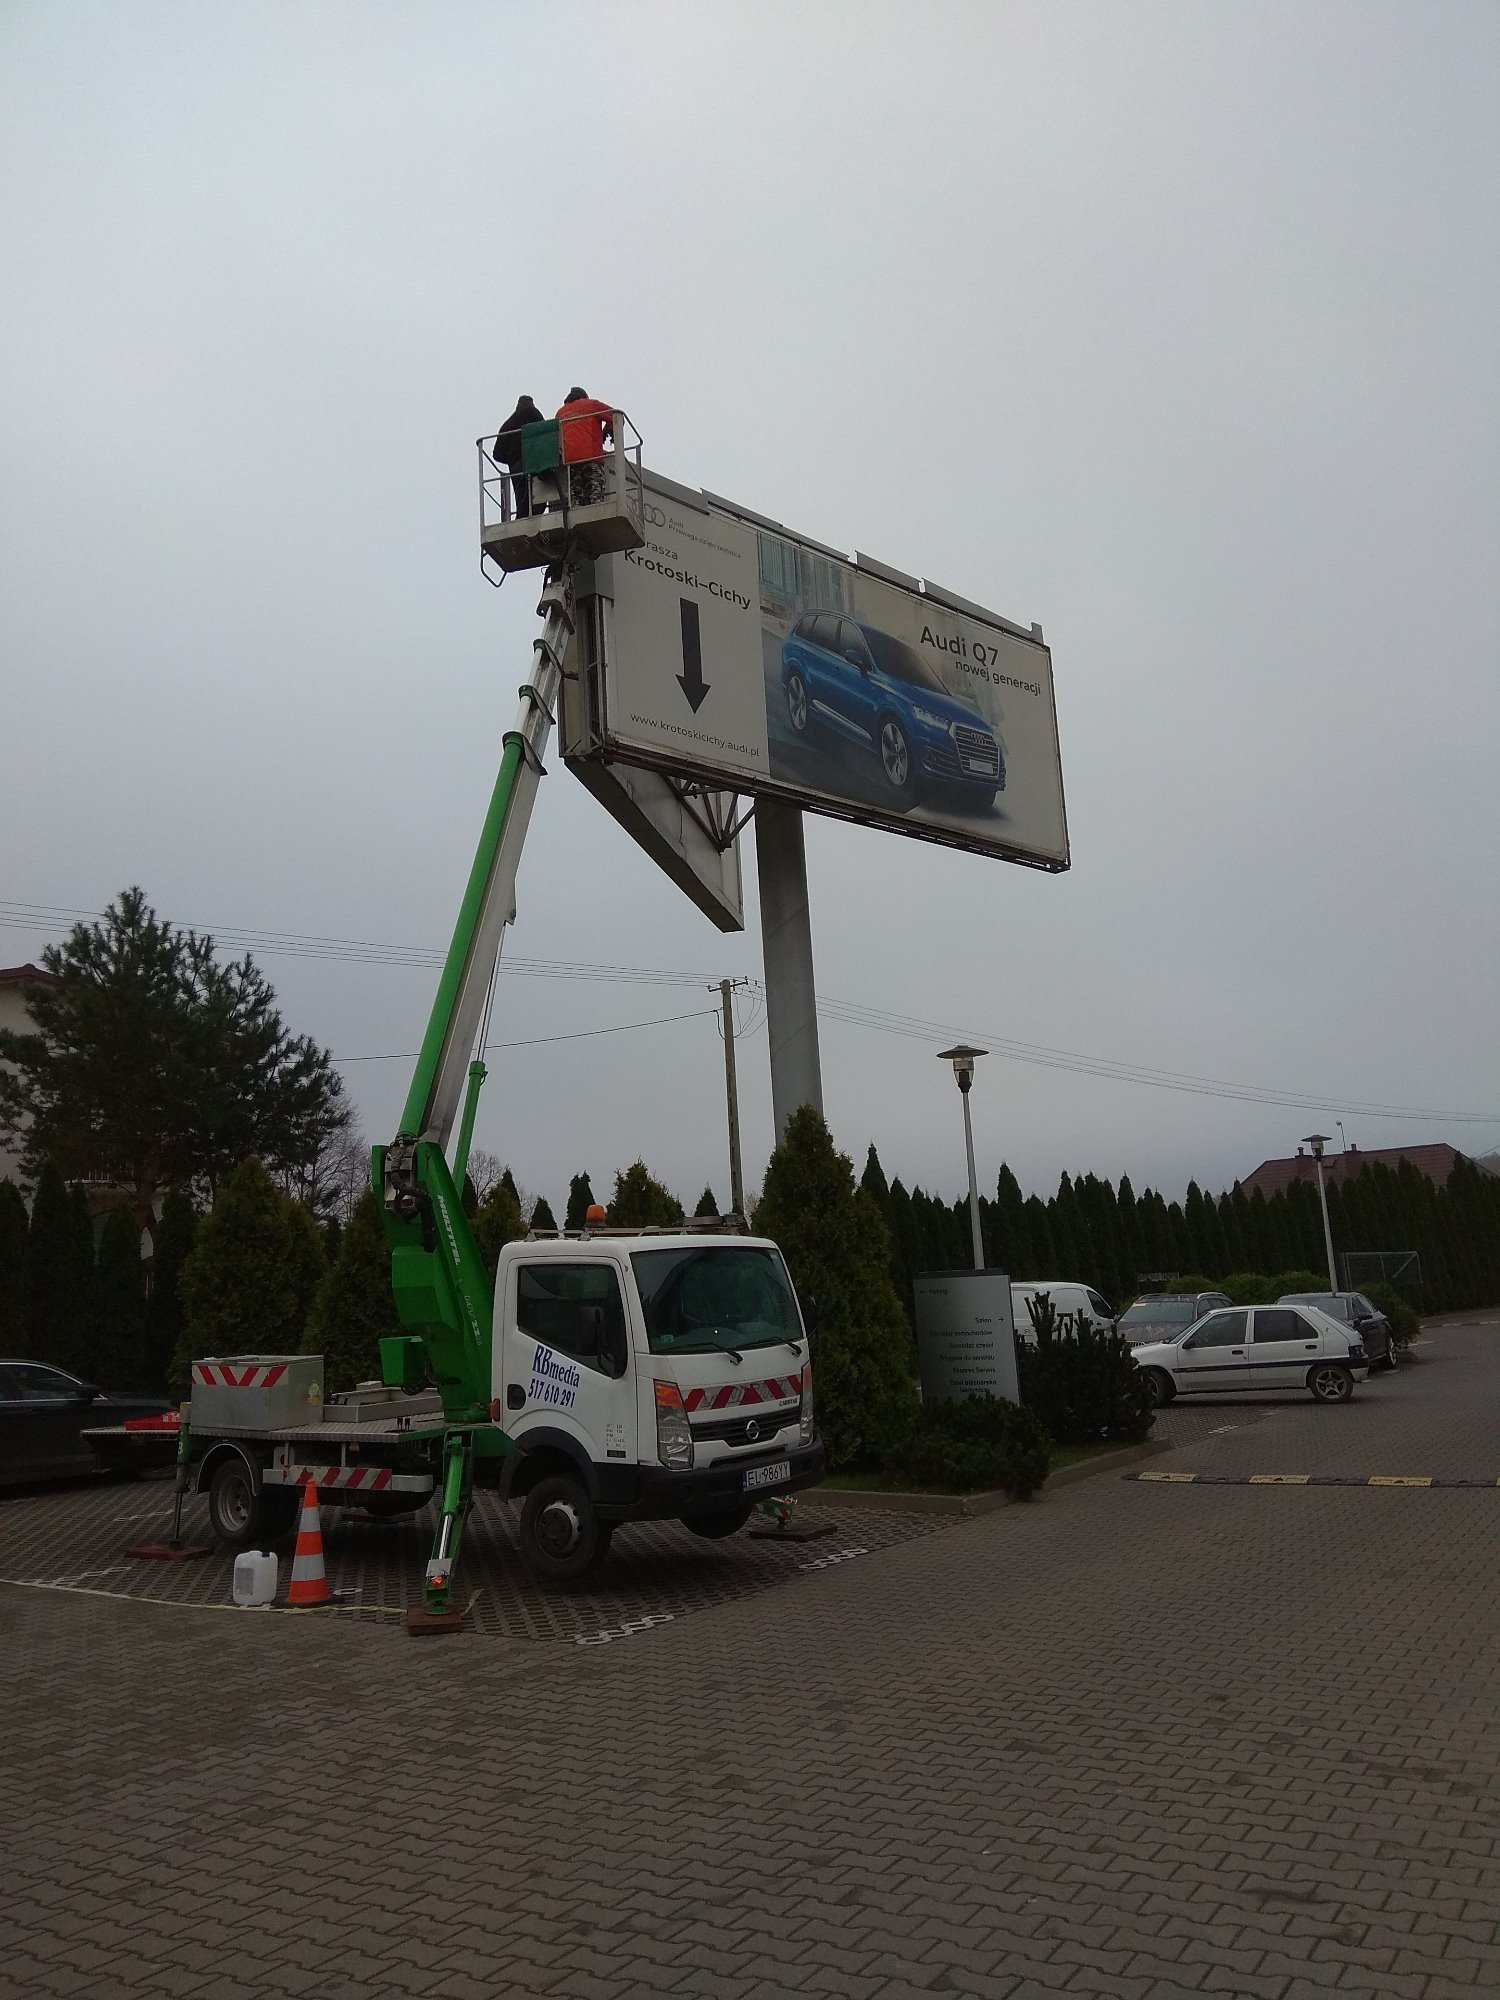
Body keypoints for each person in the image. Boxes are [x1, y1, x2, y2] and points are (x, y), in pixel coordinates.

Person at [556, 387, 615, 506]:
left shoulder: (560, 413)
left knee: (576, 497)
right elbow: (616, 416)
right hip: (591, 457)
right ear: (584, 397)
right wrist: (607, 431)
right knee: (595, 494)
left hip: (570, 462)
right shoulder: (591, 405)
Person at [492, 394, 543, 519]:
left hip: (515, 465)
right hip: (533, 462)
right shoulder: (534, 414)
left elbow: (496, 454)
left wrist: (511, 459)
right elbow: (547, 434)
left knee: (521, 499)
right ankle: (533, 520)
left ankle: (521, 519)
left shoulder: (508, 424)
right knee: (539, 497)